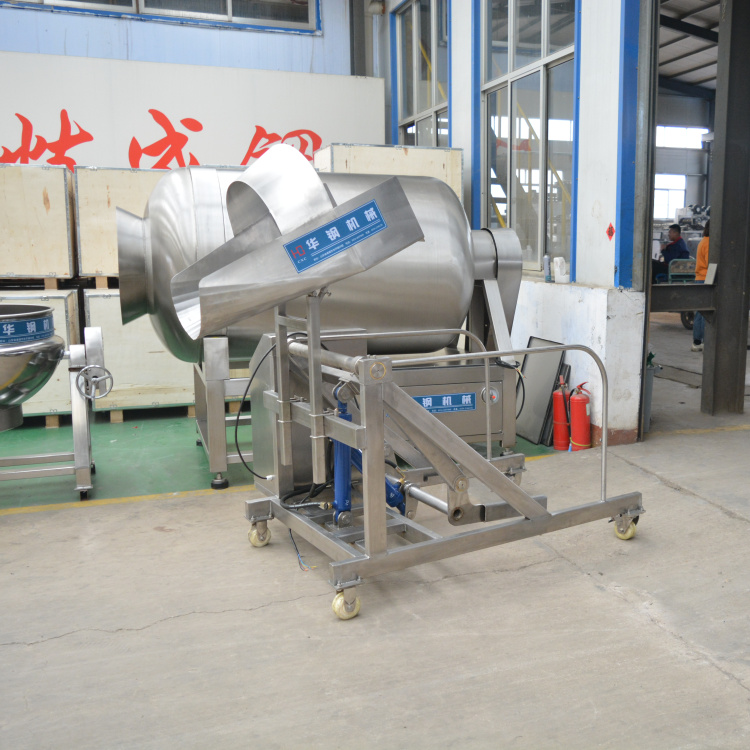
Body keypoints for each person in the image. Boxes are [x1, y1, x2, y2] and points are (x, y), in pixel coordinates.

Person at [691, 220, 709, 352]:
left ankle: (697, 341)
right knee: (705, 312)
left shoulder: (703, 241)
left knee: (700, 312)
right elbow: (710, 262)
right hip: (706, 279)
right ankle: (702, 341)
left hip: (700, 278)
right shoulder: (709, 242)